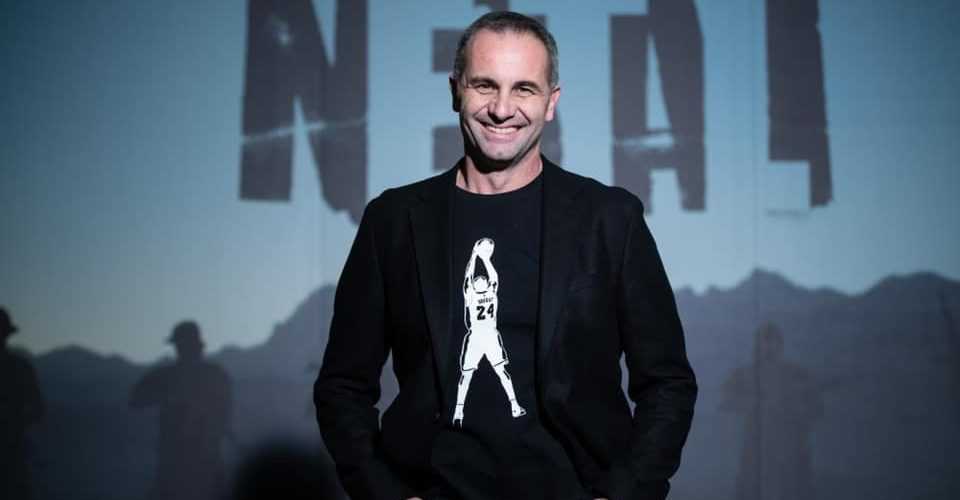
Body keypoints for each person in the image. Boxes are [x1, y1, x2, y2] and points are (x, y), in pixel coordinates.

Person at [314, 11, 696, 500]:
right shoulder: (393, 221)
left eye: (524, 89)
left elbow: (667, 382)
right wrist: (386, 494)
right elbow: (343, 385)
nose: (501, 109)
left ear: (551, 102)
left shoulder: (609, 219)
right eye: (484, 85)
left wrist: (623, 493)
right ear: (456, 90)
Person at [130, 320, 232, 500]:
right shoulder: (212, 375)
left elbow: (223, 414)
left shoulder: (172, 376)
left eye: (181, 346)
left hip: (191, 464)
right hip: (186, 463)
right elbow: (136, 399)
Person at [720, 323, 822, 500]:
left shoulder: (797, 374)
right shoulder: (744, 375)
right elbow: (727, 401)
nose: (768, 348)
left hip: (790, 447)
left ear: (780, 345)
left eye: (772, 341)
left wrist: (793, 407)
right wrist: (756, 403)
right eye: (764, 342)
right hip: (756, 446)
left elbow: (816, 408)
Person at [0, 307, 45, 500]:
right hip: (14, 454)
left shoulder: (20, 367)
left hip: (13, 454)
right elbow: (38, 409)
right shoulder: (21, 367)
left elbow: (38, 409)